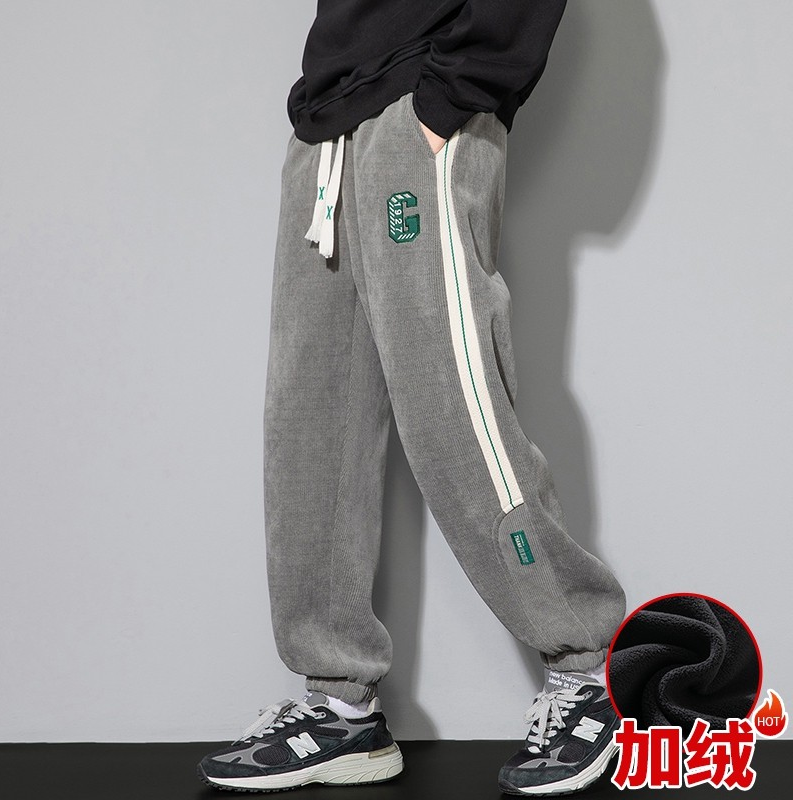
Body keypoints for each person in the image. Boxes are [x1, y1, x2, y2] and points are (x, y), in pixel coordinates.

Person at [198, 1, 626, 795]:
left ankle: (591, 672)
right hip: (326, 130)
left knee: (452, 410)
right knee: (309, 425)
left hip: (419, 114)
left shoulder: (434, 108)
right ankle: (339, 705)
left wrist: (452, 94)